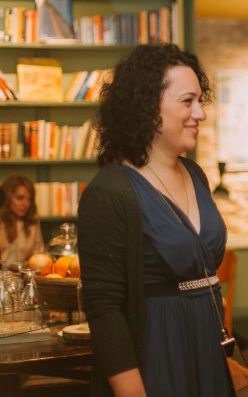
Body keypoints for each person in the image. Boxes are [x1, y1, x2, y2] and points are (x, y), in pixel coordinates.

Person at [78, 44, 235, 397]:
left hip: (208, 345)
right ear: (148, 107)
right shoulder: (110, 191)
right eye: (187, 101)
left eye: (200, 100)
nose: (200, 113)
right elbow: (103, 307)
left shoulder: (196, 175)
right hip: (157, 352)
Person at [0, 175, 43, 264]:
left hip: (23, 272)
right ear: (7, 198)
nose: (26, 204)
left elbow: (39, 253)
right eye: (20, 198)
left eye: (29, 199)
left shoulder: (32, 219)